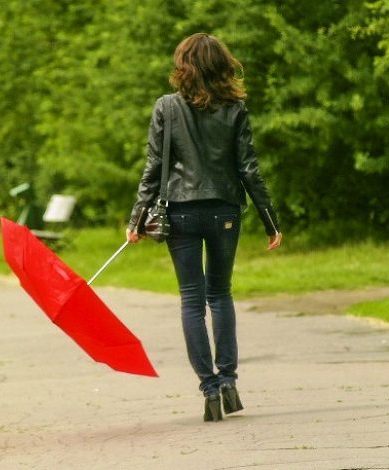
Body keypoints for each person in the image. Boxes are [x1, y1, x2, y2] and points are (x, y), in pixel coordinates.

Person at [126, 33, 283, 422]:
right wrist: (270, 220)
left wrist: (137, 218)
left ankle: (210, 389)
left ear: (183, 66)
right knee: (220, 294)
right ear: (221, 65)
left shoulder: (166, 107)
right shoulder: (235, 109)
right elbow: (248, 168)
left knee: (192, 300)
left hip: (179, 212)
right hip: (224, 210)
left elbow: (153, 167)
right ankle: (228, 381)